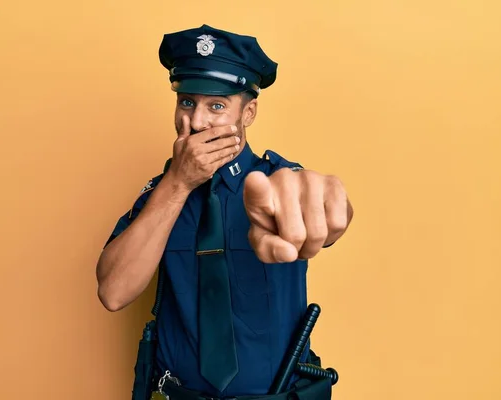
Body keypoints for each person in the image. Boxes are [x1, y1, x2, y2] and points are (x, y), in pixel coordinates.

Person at [96, 24, 353, 400]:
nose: (197, 122)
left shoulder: (278, 181)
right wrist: (179, 184)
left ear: (248, 112)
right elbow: (113, 292)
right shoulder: (160, 195)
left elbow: (325, 208)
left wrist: (330, 205)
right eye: (187, 102)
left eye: (217, 106)